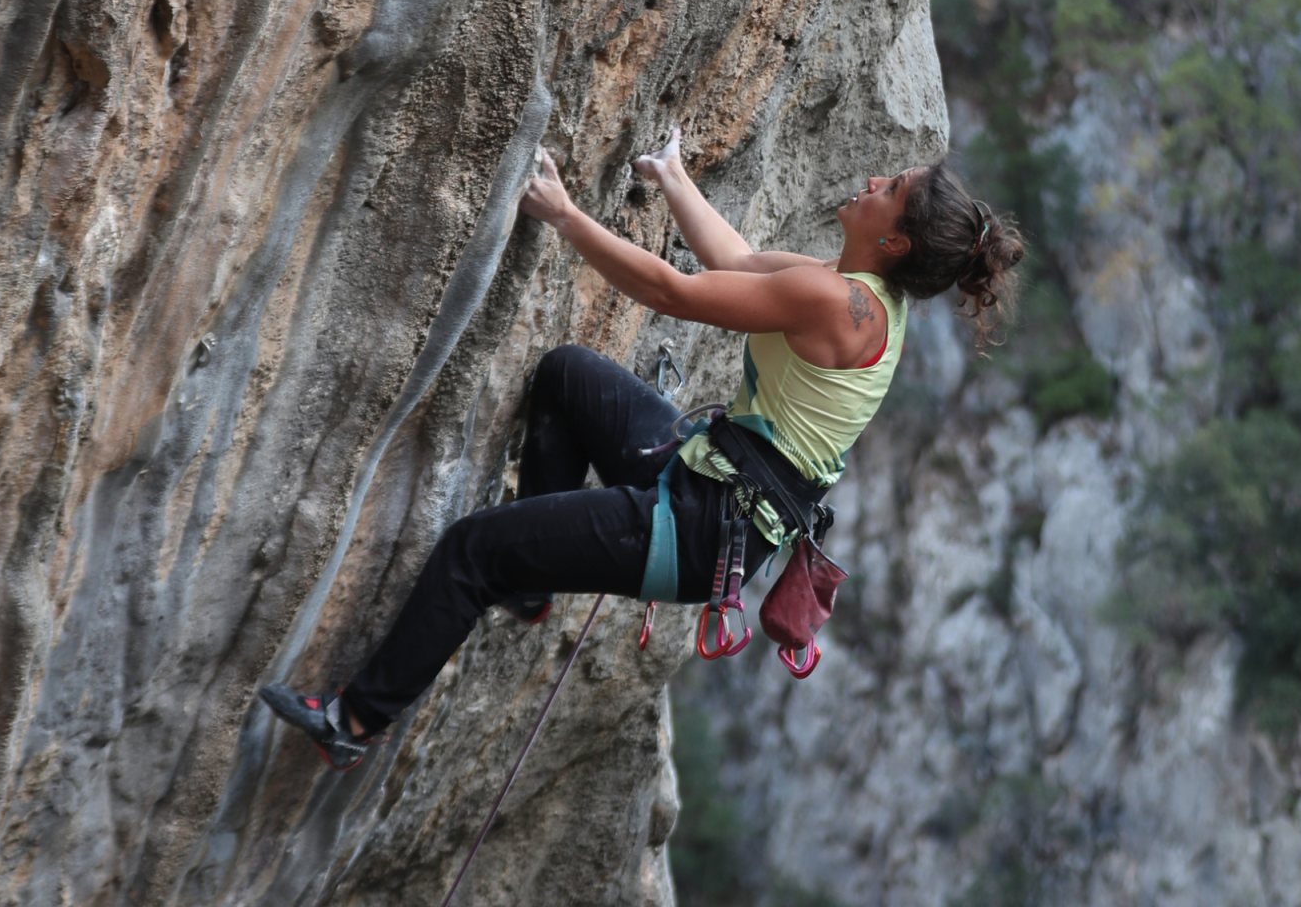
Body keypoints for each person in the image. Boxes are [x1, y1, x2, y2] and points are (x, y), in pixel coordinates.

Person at [260, 130, 1025, 769]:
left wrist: (565, 216)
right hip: (707, 486)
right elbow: (733, 261)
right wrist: (671, 175)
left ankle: (356, 724)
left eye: (888, 187)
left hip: (698, 531)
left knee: (472, 550)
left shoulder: (841, 304)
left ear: (893, 239)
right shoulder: (854, 291)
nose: (871, 179)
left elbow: (674, 294)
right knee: (568, 377)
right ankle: (530, 589)